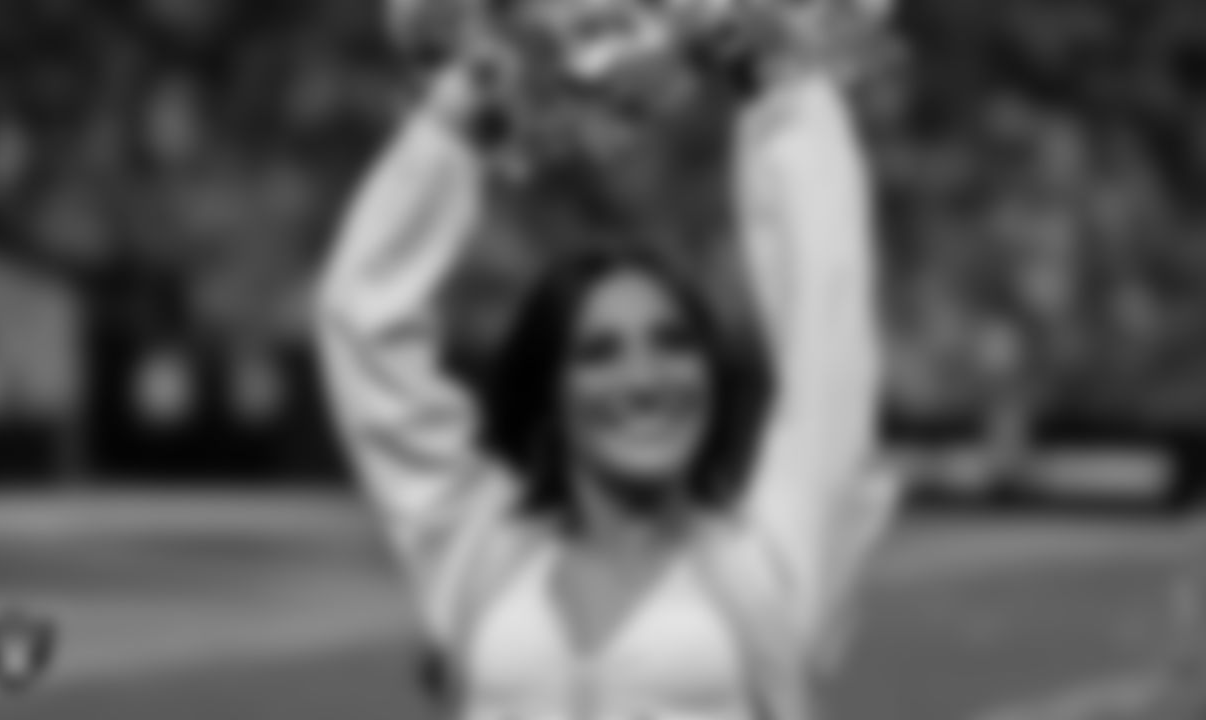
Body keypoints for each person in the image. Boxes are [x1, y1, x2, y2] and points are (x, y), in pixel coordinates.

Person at [315, 2, 897, 717]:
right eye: (598, 354)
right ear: (551, 392)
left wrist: (781, 89)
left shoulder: (770, 565)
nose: (644, 381)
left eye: (674, 344)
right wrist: (460, 112)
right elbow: (360, 320)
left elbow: (829, 327)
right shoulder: (474, 549)